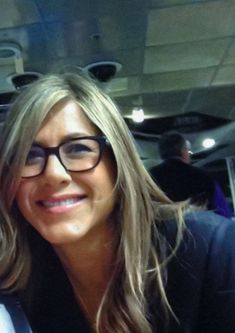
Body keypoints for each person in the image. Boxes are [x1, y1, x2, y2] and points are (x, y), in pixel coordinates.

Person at [0, 72, 234, 333]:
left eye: (78, 148)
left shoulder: (212, 251)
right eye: (29, 155)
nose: (54, 174)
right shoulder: (19, 292)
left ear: (118, 162)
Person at [150, 131, 233, 218]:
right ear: (183, 151)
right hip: (200, 230)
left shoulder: (150, 178)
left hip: (161, 230)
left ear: (161, 154)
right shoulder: (204, 177)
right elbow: (223, 214)